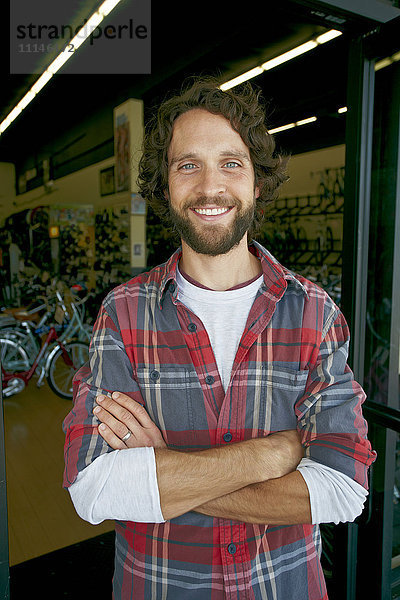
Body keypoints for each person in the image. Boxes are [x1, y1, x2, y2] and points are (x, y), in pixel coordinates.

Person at [63, 77, 376, 600]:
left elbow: (344, 490)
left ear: (258, 182)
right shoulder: (124, 314)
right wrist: (273, 454)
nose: (211, 187)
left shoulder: (313, 311)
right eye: (188, 165)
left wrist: (163, 472)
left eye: (231, 163)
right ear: (166, 186)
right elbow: (95, 489)